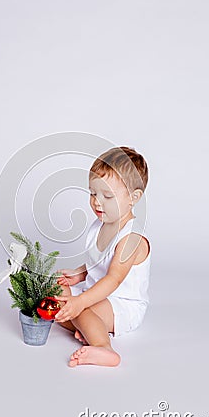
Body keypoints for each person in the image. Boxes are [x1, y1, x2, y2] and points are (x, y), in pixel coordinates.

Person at [54, 146, 151, 367]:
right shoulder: (100, 224)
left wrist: (80, 303)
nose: (97, 202)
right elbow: (99, 262)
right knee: (56, 290)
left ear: (133, 198)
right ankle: (85, 325)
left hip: (121, 302)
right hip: (95, 292)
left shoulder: (131, 238)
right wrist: (79, 275)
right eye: (92, 193)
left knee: (82, 309)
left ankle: (102, 347)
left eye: (107, 196)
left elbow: (113, 278)